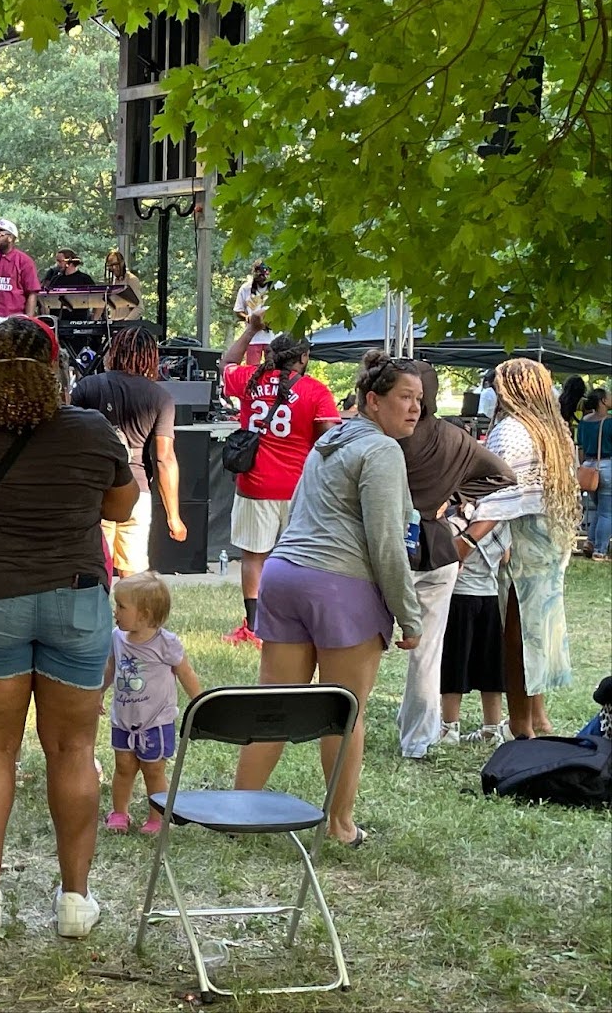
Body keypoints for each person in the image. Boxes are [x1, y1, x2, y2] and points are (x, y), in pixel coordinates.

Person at [0, 316, 136, 938]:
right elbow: (121, 507)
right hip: (77, 599)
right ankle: (74, 900)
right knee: (74, 750)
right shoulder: (92, 429)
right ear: (55, 369)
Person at [232, 351, 424, 848]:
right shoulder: (382, 452)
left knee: (274, 705)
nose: (415, 408)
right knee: (343, 712)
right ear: (374, 400)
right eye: (405, 397)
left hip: (283, 575)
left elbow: (298, 510)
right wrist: (409, 614)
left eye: (420, 399)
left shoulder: (328, 441)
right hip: (340, 587)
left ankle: (235, 809)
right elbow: (387, 542)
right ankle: (340, 826)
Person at [395, 359, 514, 759]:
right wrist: (458, 498)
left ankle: (349, 727)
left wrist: (457, 498)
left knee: (364, 646)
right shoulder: (454, 437)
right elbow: (503, 476)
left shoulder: (385, 436)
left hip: (389, 546)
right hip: (438, 548)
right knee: (427, 653)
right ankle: (417, 738)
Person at [468, 358, 580, 739]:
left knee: (514, 633)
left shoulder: (510, 429)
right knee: (540, 629)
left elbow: (498, 493)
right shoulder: (556, 430)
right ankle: (538, 716)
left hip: (517, 537)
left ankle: (520, 725)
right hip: (549, 537)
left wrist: (473, 538)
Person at [219, 316, 340, 645]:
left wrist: (251, 329)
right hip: (298, 488)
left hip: (254, 486)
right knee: (297, 558)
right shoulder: (315, 391)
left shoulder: (248, 379)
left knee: (254, 558)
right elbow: (329, 440)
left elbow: (226, 362)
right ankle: (295, 623)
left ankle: (254, 627)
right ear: (302, 358)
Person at [71, 324, 187, 576]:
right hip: (137, 491)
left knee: (92, 572)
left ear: (114, 352)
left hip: (93, 492)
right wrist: (173, 516)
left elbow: (70, 443)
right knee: (133, 578)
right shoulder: (160, 397)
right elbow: (165, 458)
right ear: (151, 357)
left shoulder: (86, 387)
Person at [103, 572, 201, 835]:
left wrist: (201, 702)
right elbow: (111, 668)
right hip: (123, 718)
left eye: (122, 606)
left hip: (155, 721)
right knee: (123, 767)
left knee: (153, 770)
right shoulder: (117, 637)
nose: (116, 611)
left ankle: (157, 818)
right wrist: (99, 692)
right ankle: (120, 813)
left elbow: (186, 673)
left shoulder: (166, 643)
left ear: (144, 615)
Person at [439, 521, 512, 747]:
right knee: (491, 665)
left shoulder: (462, 515)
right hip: (490, 596)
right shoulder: (501, 516)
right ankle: (492, 727)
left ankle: (449, 727)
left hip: (459, 594)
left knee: (454, 662)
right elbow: (505, 558)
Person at [578, 387, 610, 560]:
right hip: (607, 465)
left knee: (599, 508)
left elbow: (581, 446)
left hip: (589, 466)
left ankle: (590, 541)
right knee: (607, 511)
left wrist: (583, 465)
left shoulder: (584, 421)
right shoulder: (609, 422)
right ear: (603, 401)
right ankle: (600, 550)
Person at [232, 259, 274, 365]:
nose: (262, 278)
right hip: (253, 337)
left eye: (265, 275)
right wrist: (247, 317)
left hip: (273, 337)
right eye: (259, 275)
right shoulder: (245, 288)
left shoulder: (278, 286)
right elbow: (238, 310)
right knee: (252, 369)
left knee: (273, 367)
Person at [103, 249, 144, 320]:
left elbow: (139, 307)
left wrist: (126, 321)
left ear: (122, 263)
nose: (113, 268)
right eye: (111, 265)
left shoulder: (131, 280)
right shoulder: (113, 281)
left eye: (116, 264)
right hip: (114, 323)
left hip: (127, 326)